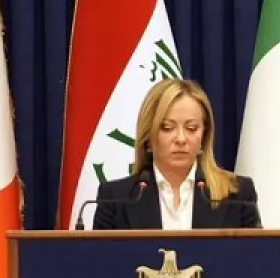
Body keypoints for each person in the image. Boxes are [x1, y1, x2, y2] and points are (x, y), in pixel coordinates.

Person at [93, 77, 262, 230]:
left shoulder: (238, 195)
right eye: (167, 128)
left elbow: (255, 260)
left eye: (191, 128)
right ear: (148, 137)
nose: (181, 139)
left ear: (204, 136)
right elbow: (102, 263)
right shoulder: (115, 200)